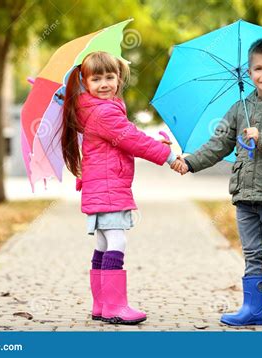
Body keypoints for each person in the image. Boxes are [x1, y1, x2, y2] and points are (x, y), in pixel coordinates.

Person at [172, 38, 262, 326]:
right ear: (248, 72)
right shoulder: (239, 108)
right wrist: (191, 161)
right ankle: (254, 308)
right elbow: (218, 143)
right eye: (259, 68)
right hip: (245, 195)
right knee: (252, 252)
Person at [62, 51, 183, 325]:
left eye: (110, 76)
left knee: (104, 242)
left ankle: (101, 304)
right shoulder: (104, 111)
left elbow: (128, 138)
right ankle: (115, 306)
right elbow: (133, 140)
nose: (104, 83)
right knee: (117, 240)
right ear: (85, 81)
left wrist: (155, 144)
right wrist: (169, 157)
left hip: (102, 186)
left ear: (119, 78)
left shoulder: (95, 108)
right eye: (96, 79)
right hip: (108, 188)